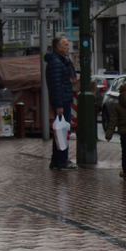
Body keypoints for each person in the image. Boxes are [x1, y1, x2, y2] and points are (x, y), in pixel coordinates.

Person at [45, 35, 78, 170]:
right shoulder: (57, 63)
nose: (68, 48)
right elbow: (56, 85)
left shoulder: (59, 61)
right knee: (63, 131)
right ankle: (62, 160)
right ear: (58, 47)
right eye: (65, 45)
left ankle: (57, 160)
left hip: (63, 100)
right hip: (62, 101)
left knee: (61, 131)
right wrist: (59, 105)